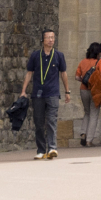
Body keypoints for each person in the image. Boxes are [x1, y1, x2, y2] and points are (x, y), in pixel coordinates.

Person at [17, 29, 68, 159]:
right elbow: (29, 73)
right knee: (39, 122)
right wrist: (23, 91)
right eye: (48, 37)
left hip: (53, 93)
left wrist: (67, 91)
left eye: (53, 37)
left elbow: (63, 73)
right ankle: (41, 150)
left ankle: (52, 148)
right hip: (38, 94)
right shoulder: (35, 55)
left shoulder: (58, 56)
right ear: (43, 40)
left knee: (51, 120)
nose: (51, 40)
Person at [73, 41, 101, 148]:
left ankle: (83, 133)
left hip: (83, 89)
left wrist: (86, 81)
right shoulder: (99, 61)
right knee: (94, 114)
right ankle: (89, 140)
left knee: (87, 112)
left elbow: (77, 77)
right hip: (95, 91)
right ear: (98, 53)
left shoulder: (83, 62)